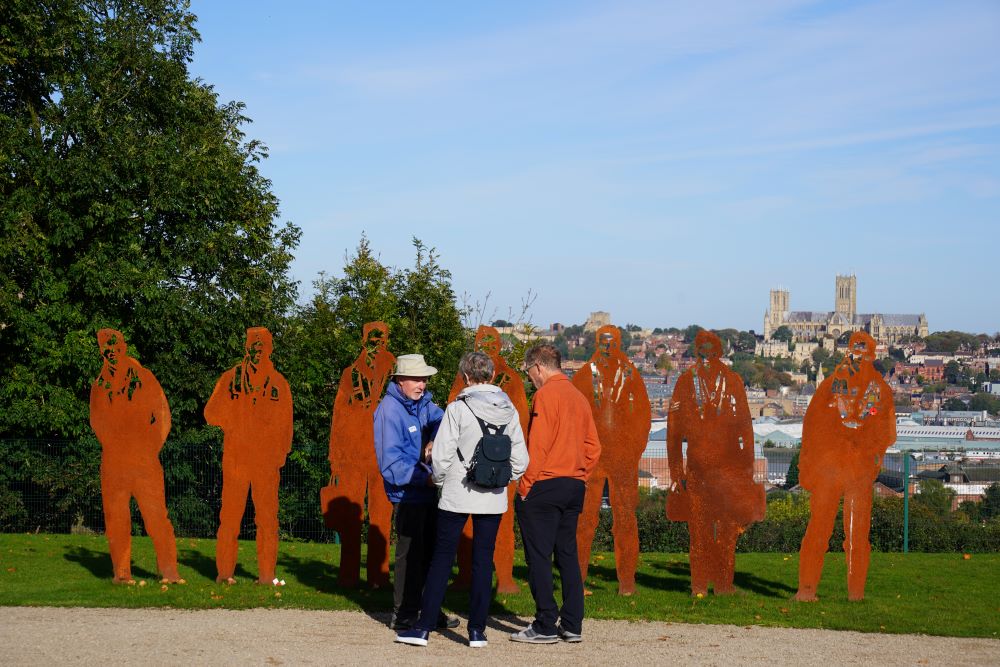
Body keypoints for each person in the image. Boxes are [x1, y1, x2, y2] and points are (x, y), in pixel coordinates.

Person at [395, 352, 528, 648]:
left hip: (457, 493)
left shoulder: (457, 408)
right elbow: (521, 459)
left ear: (465, 377)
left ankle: (424, 628)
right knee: (482, 562)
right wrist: (502, 478)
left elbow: (441, 456)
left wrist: (442, 482)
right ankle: (477, 631)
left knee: (442, 560)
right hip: (493, 498)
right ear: (492, 376)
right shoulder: (510, 409)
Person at [795, 330, 895, 601]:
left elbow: (886, 433)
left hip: (858, 472)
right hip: (831, 470)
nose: (857, 358)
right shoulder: (830, 386)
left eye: (863, 354)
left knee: (855, 535)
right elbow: (812, 426)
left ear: (871, 356)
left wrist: (872, 458)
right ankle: (806, 590)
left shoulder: (879, 391)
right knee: (819, 529)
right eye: (854, 353)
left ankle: (855, 594)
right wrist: (810, 465)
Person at [511, 343, 601, 644]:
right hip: (573, 485)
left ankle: (545, 623)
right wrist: (580, 475)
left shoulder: (545, 395)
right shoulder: (579, 397)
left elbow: (538, 446)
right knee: (567, 555)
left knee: (539, 556)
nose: (530, 378)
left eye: (529, 372)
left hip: (544, 485)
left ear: (538, 366)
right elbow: (594, 448)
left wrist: (525, 485)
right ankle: (572, 623)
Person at [666, 330, 762, 596]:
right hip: (697, 470)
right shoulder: (686, 383)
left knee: (728, 531)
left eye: (711, 353)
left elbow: (745, 427)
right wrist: (676, 472)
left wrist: (748, 468)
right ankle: (698, 585)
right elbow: (673, 431)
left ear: (719, 353)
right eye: (702, 353)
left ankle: (723, 585)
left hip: (729, 471)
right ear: (696, 354)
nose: (707, 359)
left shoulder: (733, 381)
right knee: (698, 531)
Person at [89, 328, 182, 585]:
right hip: (114, 462)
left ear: (123, 346)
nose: (111, 352)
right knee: (116, 518)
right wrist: (115, 447)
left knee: (156, 517)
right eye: (106, 348)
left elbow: (162, 415)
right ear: (101, 351)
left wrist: (150, 448)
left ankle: (170, 573)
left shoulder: (144, 377)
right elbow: (97, 422)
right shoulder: (99, 385)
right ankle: (122, 573)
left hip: (145, 461)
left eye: (115, 346)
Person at [373, 354, 457, 631]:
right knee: (409, 557)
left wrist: (434, 437)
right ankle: (405, 614)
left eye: (424, 379)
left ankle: (429, 609)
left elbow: (442, 418)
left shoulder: (422, 404)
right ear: (400, 380)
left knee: (431, 553)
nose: (422, 384)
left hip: (426, 491)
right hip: (407, 495)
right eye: (417, 379)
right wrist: (428, 479)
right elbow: (392, 464)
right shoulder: (389, 411)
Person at [205, 327, 293, 585]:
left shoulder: (279, 383)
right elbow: (210, 413)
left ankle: (266, 576)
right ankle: (224, 573)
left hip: (267, 463)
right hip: (236, 460)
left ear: (270, 348)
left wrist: (279, 457)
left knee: (267, 519)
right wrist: (235, 421)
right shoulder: (231, 378)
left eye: (262, 343)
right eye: (253, 343)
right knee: (230, 517)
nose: (257, 348)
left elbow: (287, 426)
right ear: (246, 346)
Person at [447, 325, 529, 594]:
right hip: (476, 468)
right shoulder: (461, 386)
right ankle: (465, 577)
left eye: (491, 342)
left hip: (497, 466)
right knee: (470, 529)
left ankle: (504, 578)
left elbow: (522, 422)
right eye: (482, 342)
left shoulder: (512, 380)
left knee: (502, 528)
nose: (487, 346)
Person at [571, 325, 650, 595]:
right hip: (591, 460)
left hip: (622, 460)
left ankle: (627, 582)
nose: (607, 347)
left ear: (619, 343)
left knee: (626, 519)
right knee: (583, 520)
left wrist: (633, 452)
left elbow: (643, 418)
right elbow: (573, 418)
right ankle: (577, 579)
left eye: (612, 342)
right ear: (596, 343)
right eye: (603, 342)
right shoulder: (584, 376)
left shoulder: (630, 376)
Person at [323, 321, 395, 588]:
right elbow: (339, 417)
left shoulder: (395, 373)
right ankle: (348, 576)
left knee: (381, 519)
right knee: (352, 519)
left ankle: (379, 576)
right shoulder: (350, 374)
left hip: (384, 457)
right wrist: (335, 458)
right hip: (353, 456)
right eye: (373, 339)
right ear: (365, 341)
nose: (378, 345)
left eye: (382, 339)